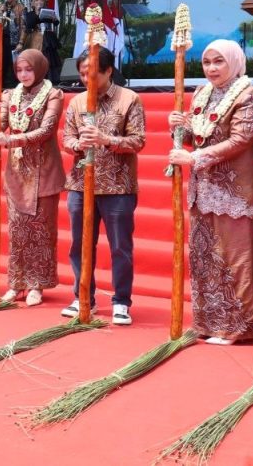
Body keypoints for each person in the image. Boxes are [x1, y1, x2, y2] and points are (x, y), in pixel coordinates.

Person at [168, 40, 253, 344]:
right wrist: (178, 127)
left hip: (235, 190)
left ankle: (238, 326)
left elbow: (240, 140)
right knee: (205, 257)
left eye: (219, 61)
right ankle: (209, 322)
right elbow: (197, 136)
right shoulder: (202, 93)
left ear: (234, 62)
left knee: (235, 258)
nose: (211, 68)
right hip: (203, 188)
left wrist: (194, 158)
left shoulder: (250, 96)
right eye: (207, 62)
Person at [60, 46, 146, 325]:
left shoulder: (129, 99)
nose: (86, 80)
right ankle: (83, 296)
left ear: (108, 71)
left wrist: (107, 140)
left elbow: (138, 141)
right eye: (82, 74)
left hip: (118, 186)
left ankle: (121, 300)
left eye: (92, 74)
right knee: (79, 244)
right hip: (79, 185)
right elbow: (67, 139)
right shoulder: (76, 102)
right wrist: (77, 144)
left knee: (120, 246)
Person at [0, 49, 65, 306]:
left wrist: (13, 140)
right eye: (19, 70)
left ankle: (37, 285)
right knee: (18, 230)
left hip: (44, 171)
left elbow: (47, 130)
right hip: (18, 172)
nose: (23, 75)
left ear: (40, 69)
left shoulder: (53, 94)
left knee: (41, 231)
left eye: (29, 70)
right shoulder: (10, 95)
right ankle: (16, 283)